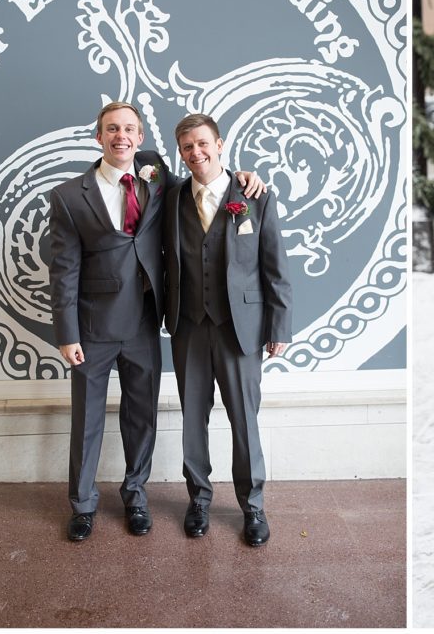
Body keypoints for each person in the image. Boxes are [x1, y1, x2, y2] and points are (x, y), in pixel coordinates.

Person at [48, 100, 264, 542]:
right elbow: (63, 270)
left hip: (146, 321)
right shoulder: (69, 196)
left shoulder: (157, 175)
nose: (121, 136)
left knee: (141, 417)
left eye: (129, 129)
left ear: (141, 137)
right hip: (92, 326)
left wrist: (244, 177)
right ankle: (83, 505)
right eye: (112, 129)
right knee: (87, 420)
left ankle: (135, 497)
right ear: (98, 137)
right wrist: (67, 333)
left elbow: (206, 175)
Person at [163, 112, 292, 547]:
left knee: (244, 420)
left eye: (203, 143)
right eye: (187, 147)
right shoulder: (171, 197)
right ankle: (198, 499)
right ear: (180, 153)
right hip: (188, 325)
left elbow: (275, 267)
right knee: (192, 420)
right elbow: (139, 159)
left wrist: (279, 325)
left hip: (241, 327)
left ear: (219, 145)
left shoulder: (255, 196)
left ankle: (252, 506)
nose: (195, 152)